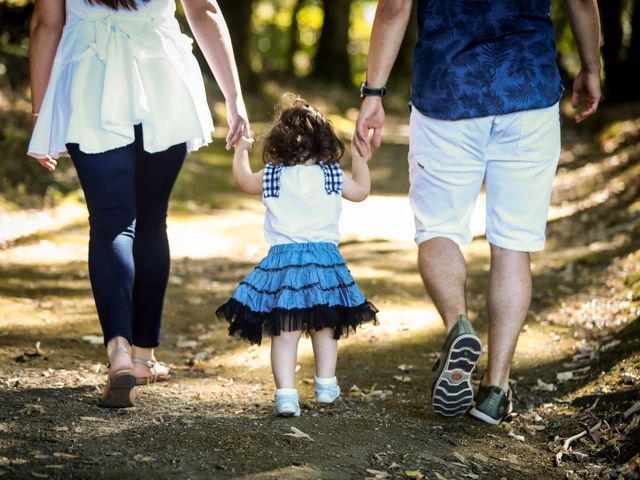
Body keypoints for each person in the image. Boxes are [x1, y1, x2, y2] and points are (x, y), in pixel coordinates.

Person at [354, 0, 601, 424]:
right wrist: (591, 66)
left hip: (446, 93)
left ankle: (458, 326)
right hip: (528, 90)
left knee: (438, 229)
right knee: (513, 245)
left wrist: (374, 93)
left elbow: (395, 6)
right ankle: (496, 387)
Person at [28, 0, 250, 408]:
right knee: (150, 222)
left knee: (111, 222)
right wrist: (234, 99)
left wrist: (41, 109)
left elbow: (46, 24)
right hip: (160, 75)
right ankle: (145, 355)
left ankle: (119, 352)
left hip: (89, 75)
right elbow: (205, 11)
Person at [216, 96, 378, 417]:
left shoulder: (273, 175)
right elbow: (361, 190)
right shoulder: (332, 175)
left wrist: (241, 150)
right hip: (323, 264)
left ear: (279, 141)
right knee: (325, 327)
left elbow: (243, 181)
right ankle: (326, 383)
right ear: (325, 140)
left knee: (285, 333)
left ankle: (286, 395)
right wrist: (360, 156)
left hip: (284, 265)